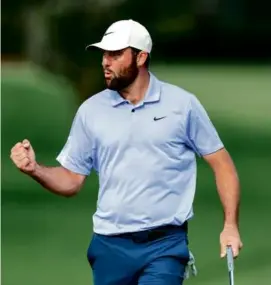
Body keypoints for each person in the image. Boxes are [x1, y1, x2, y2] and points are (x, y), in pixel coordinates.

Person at [10, 19, 243, 285]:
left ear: (141, 57)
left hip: (165, 244)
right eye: (104, 54)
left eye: (116, 54)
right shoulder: (91, 111)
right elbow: (72, 180)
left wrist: (230, 226)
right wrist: (35, 169)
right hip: (109, 245)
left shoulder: (182, 105)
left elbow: (223, 164)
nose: (105, 62)